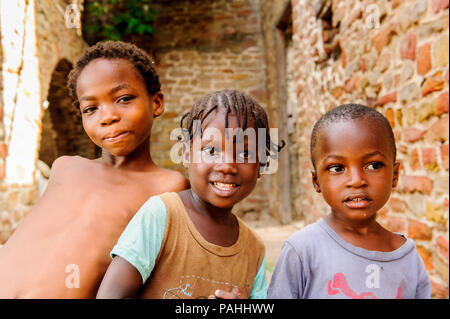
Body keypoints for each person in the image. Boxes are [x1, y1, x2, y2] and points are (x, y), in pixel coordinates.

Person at [0, 41, 189, 298]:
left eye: (123, 99)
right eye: (91, 108)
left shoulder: (168, 186)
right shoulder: (65, 167)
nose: (107, 116)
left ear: (156, 103)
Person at [96, 89, 284, 299]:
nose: (228, 165)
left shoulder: (253, 249)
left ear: (261, 165)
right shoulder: (162, 216)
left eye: (245, 154)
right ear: (187, 154)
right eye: (211, 151)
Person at [268, 104, 431, 299]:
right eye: (337, 168)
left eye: (373, 165)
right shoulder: (302, 251)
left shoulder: (407, 258)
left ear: (394, 174)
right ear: (316, 181)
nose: (356, 180)